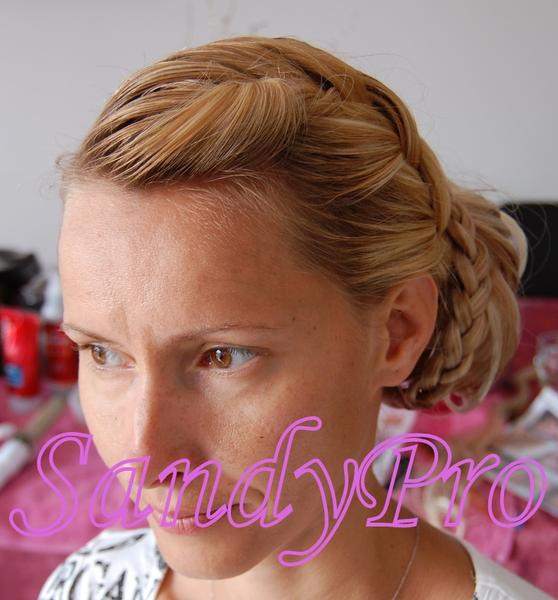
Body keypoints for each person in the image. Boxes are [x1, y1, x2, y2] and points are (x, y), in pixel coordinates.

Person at [37, 35, 550, 600]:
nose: (145, 459)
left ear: (397, 333)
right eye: (104, 353)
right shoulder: (84, 585)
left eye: (222, 357)